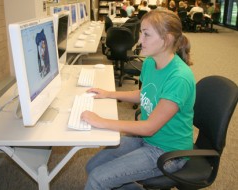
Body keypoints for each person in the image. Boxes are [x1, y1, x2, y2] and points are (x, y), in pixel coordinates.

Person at [82, 9, 196, 190]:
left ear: (166, 39)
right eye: (141, 33)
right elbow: (144, 95)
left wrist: (101, 121)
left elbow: (149, 127)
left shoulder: (179, 78)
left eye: (146, 34)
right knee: (92, 167)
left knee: (97, 179)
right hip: (146, 139)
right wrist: (109, 93)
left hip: (168, 152)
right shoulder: (151, 62)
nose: (139, 40)